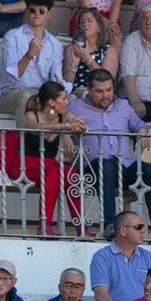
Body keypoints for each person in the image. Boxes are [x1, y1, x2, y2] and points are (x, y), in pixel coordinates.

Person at [75, 70, 151, 240]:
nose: (105, 95)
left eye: (109, 90)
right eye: (99, 91)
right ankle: (110, 225)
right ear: (89, 90)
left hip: (124, 167)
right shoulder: (76, 106)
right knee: (106, 166)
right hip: (92, 170)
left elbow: (139, 124)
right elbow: (62, 121)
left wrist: (143, 132)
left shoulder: (123, 105)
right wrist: (66, 135)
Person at [21, 81, 87, 237]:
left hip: (51, 165)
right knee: (54, 172)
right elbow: (35, 128)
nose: (67, 102)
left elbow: (77, 124)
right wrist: (64, 129)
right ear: (52, 102)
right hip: (27, 164)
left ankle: (81, 227)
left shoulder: (65, 116)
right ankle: (45, 225)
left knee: (72, 176)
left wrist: (80, 127)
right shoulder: (32, 115)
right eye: (63, 99)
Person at [0, 0, 65, 123]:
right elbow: (12, 78)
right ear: (26, 12)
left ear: (48, 14)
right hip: (11, 93)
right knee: (26, 97)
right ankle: (26, 143)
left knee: (70, 99)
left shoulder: (55, 44)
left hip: (41, 96)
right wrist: (30, 54)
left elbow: (55, 78)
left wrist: (59, 85)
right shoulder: (12, 36)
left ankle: (62, 142)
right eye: (32, 10)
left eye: (42, 11)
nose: (37, 14)